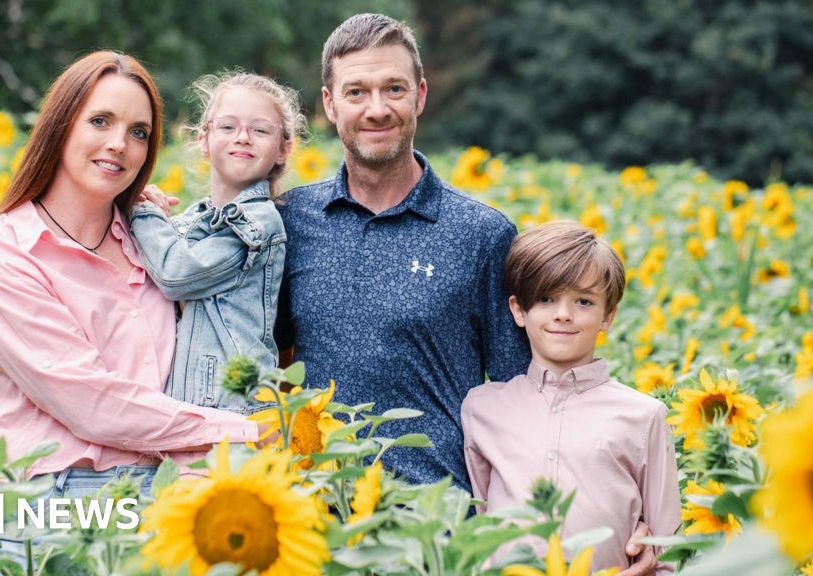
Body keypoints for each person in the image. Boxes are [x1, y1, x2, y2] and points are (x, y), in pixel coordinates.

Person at [277, 14, 659, 575]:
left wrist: (618, 505)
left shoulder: (479, 234)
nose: (376, 108)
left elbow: (533, 395)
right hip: (307, 521)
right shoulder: (291, 221)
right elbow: (257, 357)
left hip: (437, 528)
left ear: (421, 96)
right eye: (357, 91)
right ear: (330, 104)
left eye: (394, 89)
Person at [0, 51, 260, 500]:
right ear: (61, 126)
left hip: (171, 477)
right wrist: (248, 432)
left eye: (138, 132)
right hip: (55, 497)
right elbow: (94, 406)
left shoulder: (155, 245)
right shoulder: (2, 258)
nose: (120, 143)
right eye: (100, 121)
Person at [462, 221, 681, 573]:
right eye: (546, 299)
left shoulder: (644, 416)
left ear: (607, 316)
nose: (563, 314)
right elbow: (481, 521)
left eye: (583, 301)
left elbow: (667, 550)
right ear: (519, 310)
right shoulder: (482, 408)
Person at [129, 72, 304, 414]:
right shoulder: (198, 217)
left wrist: (143, 212)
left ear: (283, 149)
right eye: (227, 127)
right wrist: (157, 216)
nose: (243, 137)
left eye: (260, 130)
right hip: (195, 404)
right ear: (204, 139)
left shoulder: (259, 223)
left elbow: (177, 271)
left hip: (235, 407)